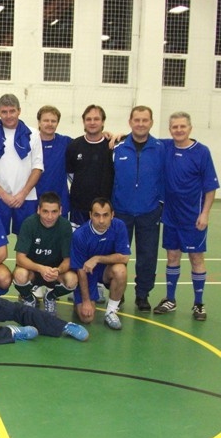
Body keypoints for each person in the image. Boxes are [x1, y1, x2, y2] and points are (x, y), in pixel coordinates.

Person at [153, 111, 219, 321]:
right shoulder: (165, 147)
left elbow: (210, 188)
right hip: (171, 217)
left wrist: (205, 214)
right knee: (172, 257)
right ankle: (170, 299)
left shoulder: (202, 152)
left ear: (190, 128)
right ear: (170, 129)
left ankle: (198, 303)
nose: (179, 130)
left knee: (196, 258)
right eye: (175, 127)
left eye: (183, 126)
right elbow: (141, 137)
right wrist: (115, 136)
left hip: (193, 218)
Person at [112, 106, 165, 313]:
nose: (141, 124)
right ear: (130, 122)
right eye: (137, 120)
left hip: (149, 212)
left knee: (148, 256)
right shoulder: (117, 147)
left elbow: (165, 178)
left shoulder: (161, 148)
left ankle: (142, 294)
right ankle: (118, 292)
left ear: (151, 122)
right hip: (121, 211)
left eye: (145, 120)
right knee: (119, 255)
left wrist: (160, 204)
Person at [0, 93, 43, 235]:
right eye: (4, 112)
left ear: (19, 111)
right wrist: (3, 194)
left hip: (27, 197)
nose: (8, 116)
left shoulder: (33, 134)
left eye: (12, 111)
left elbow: (37, 167)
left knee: (27, 240)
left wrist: (23, 193)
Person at [70, 198, 130, 330]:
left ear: (112, 215)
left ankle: (111, 311)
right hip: (87, 273)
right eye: (97, 215)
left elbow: (124, 257)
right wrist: (86, 301)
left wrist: (97, 259)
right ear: (90, 215)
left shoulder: (119, 226)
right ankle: (79, 300)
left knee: (120, 270)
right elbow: (80, 270)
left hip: (105, 271)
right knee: (87, 318)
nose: (101, 220)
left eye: (105, 215)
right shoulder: (80, 235)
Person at [13, 192, 77, 315]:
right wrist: (41, 269)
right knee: (20, 275)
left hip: (54, 272)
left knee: (72, 280)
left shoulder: (65, 226)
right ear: (38, 210)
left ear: (60, 211)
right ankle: (28, 298)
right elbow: (20, 258)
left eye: (54, 212)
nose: (49, 216)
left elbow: (67, 260)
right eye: (45, 211)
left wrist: (57, 270)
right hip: (33, 270)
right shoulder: (29, 224)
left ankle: (51, 297)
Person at [66, 104, 114, 230]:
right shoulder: (74, 146)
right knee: (79, 240)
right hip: (79, 208)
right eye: (88, 119)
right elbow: (71, 175)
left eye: (96, 119)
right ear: (83, 122)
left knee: (102, 241)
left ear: (103, 122)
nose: (92, 122)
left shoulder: (111, 146)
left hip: (104, 209)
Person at [34, 105, 72, 217]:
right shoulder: (30, 143)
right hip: (34, 201)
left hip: (60, 201)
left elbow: (87, 142)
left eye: (53, 121)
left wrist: (107, 135)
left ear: (57, 123)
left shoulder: (66, 142)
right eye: (46, 120)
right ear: (39, 122)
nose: (50, 124)